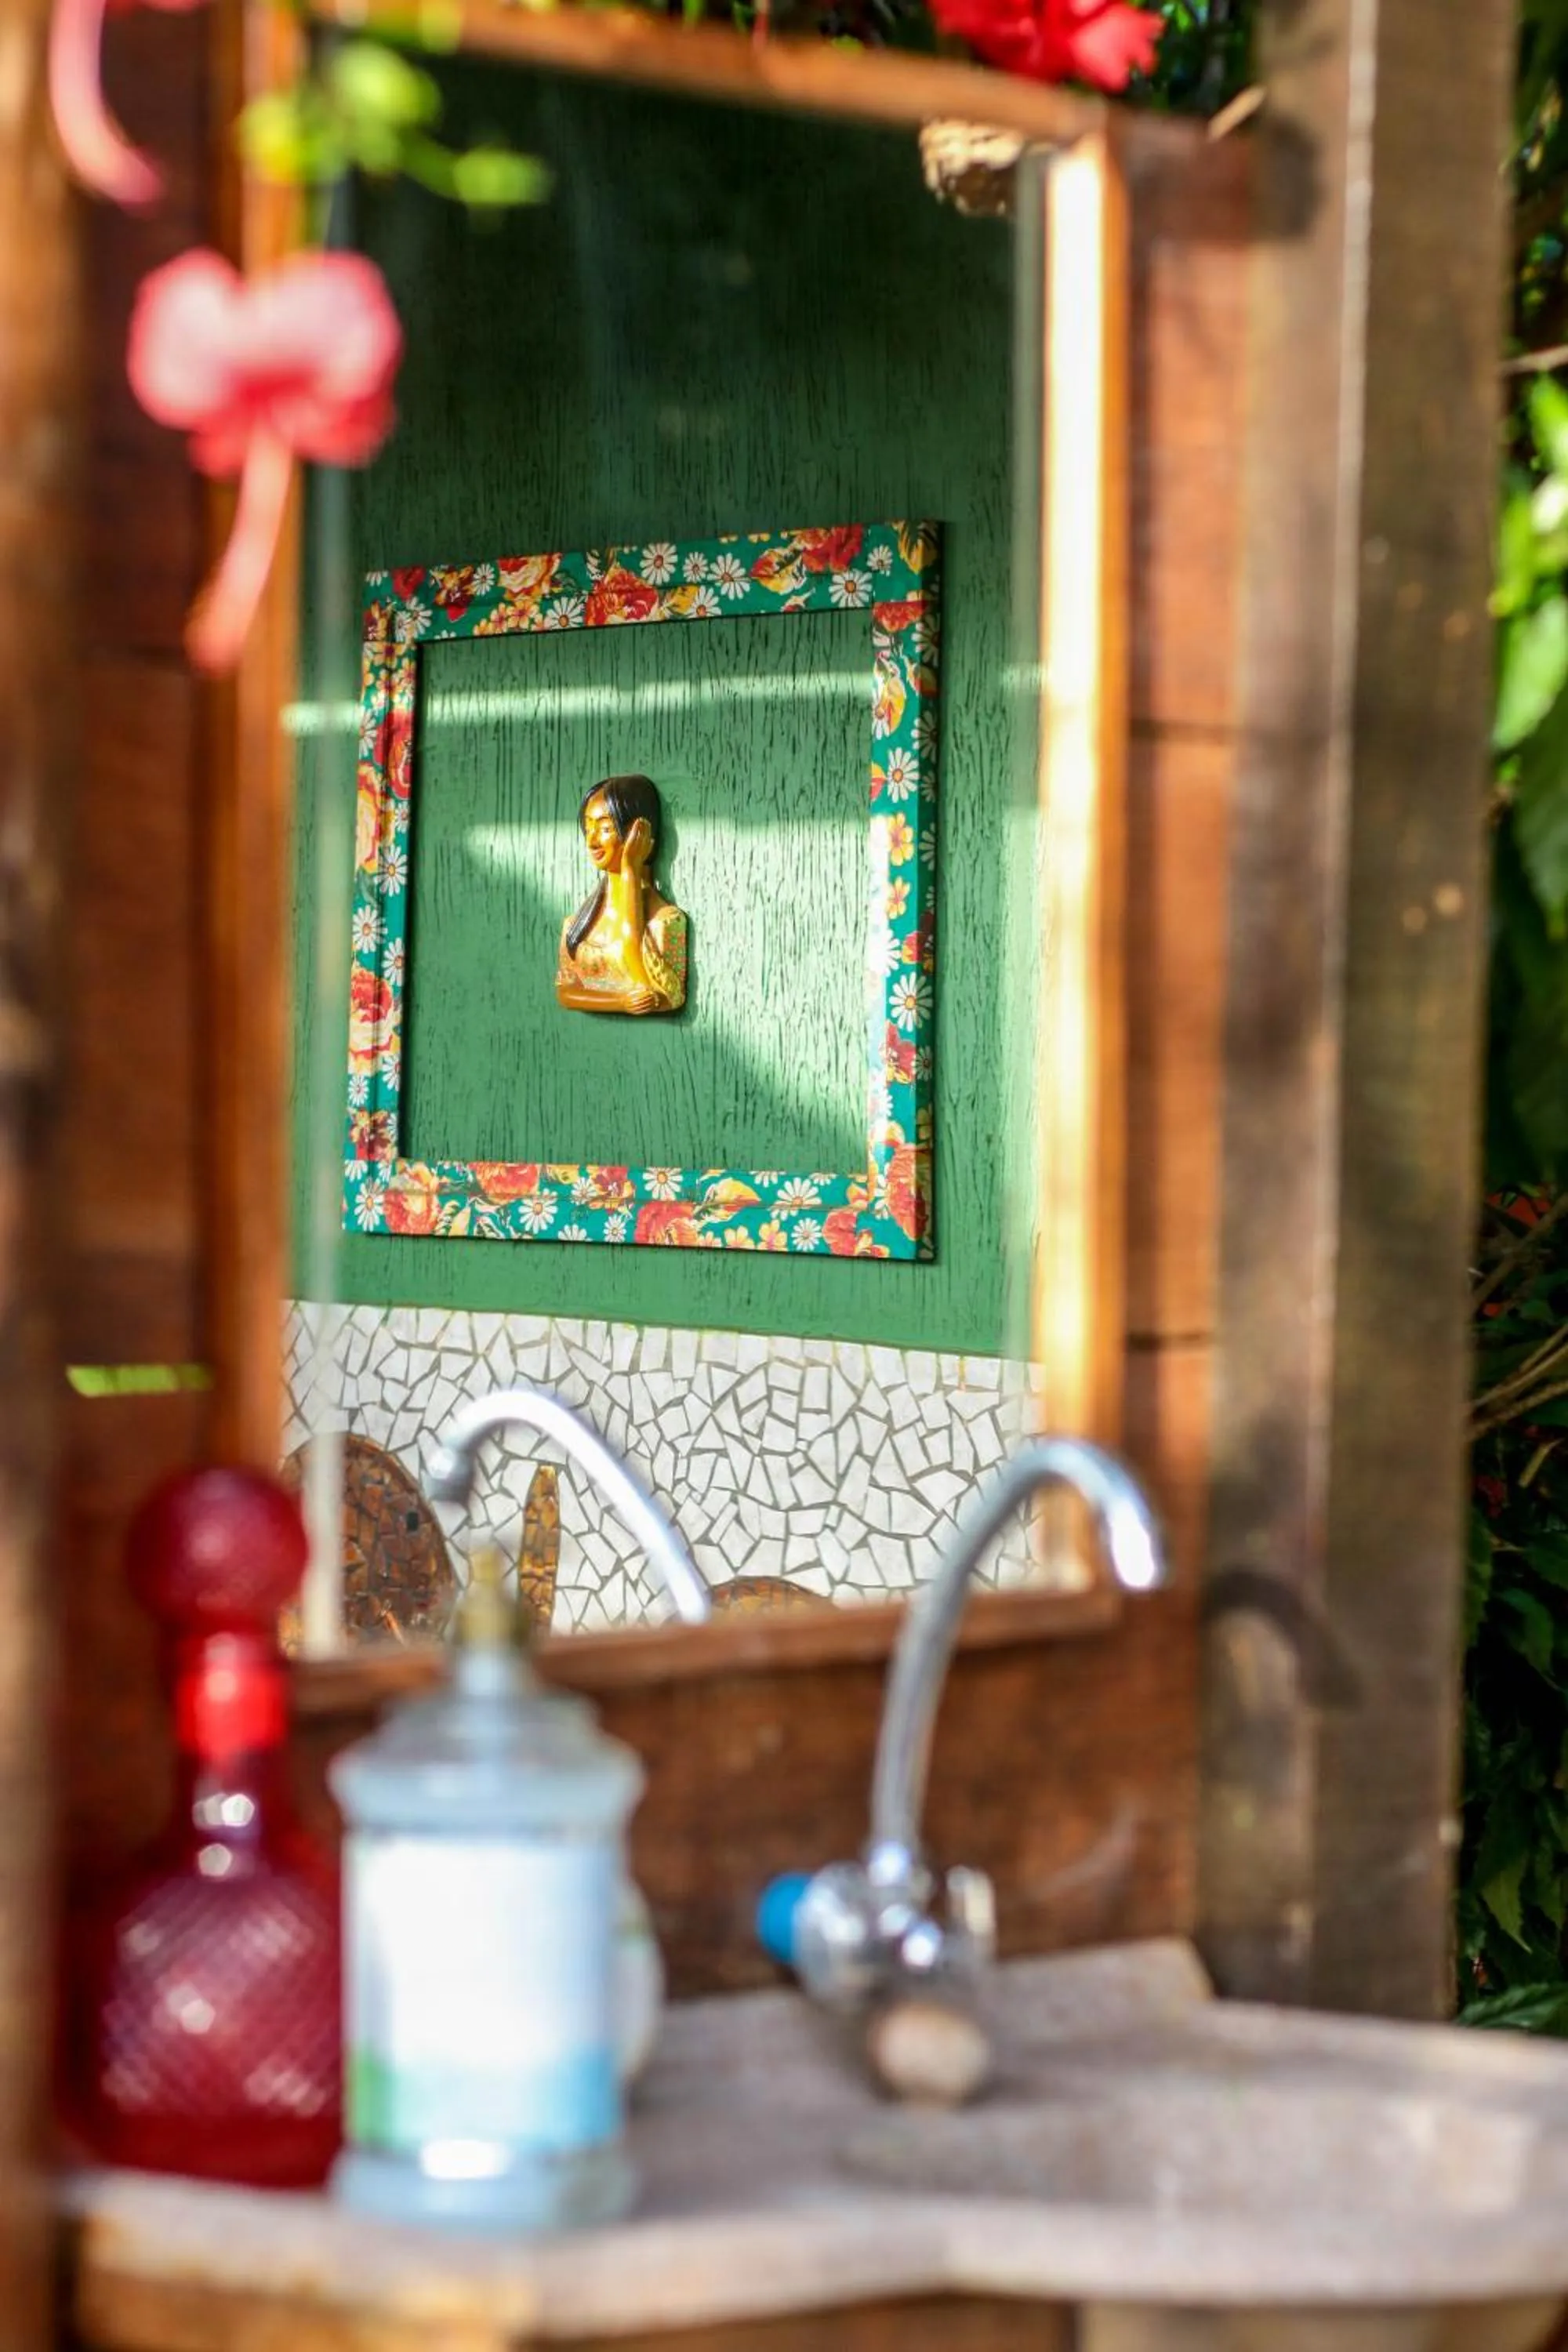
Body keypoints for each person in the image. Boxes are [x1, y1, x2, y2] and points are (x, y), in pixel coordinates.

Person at [554, 774, 688, 1017]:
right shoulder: (575, 926)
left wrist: (630, 873)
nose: (592, 841)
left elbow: (663, 996)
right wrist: (621, 1002)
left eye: (605, 828)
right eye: (588, 827)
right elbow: (566, 992)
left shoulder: (666, 922)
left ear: (641, 832)